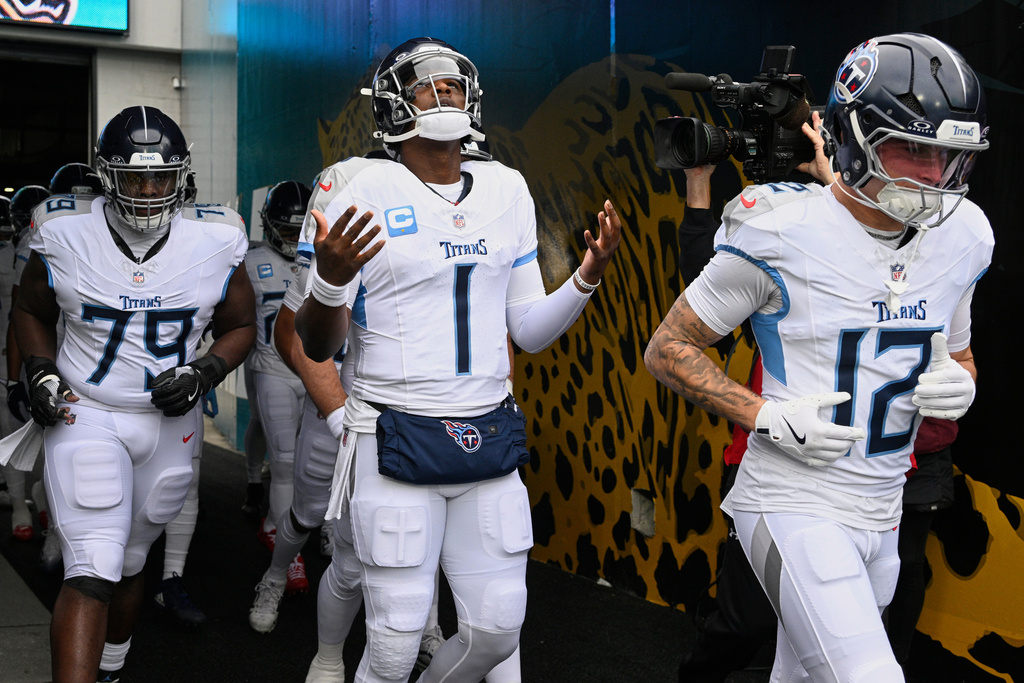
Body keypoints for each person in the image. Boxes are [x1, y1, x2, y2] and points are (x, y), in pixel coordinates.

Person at [645, 33, 991, 683]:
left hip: (884, 507)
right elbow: (668, 349)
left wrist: (962, 383)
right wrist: (765, 415)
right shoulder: (782, 230)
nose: (932, 174)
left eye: (947, 155)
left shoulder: (964, 235)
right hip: (792, 498)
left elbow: (962, 355)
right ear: (855, 139)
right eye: (912, 148)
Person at [294, 37, 621, 683]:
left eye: (452, 84)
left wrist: (586, 276)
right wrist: (329, 282)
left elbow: (528, 330)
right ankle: (332, 656)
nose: (443, 92)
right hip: (394, 430)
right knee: (392, 645)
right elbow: (317, 345)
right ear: (393, 104)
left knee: (495, 632)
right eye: (426, 85)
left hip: (487, 431)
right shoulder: (357, 186)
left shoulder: (507, 187)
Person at [13, 105, 256, 683]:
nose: (148, 191)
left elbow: (242, 325)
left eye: (161, 177)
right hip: (86, 412)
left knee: (128, 561)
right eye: (134, 177)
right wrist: (40, 370)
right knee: (92, 565)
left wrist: (205, 371)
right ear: (106, 175)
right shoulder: (63, 229)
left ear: (182, 176)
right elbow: (30, 309)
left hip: (168, 423)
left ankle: (112, 668)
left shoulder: (218, 237)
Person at [244, 179, 318, 626]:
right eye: (286, 231)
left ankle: (316, 526)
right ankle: (285, 546)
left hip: (319, 371)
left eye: (299, 231)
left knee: (327, 461)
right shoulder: (251, 261)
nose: (292, 240)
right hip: (273, 369)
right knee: (287, 463)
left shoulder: (327, 255)